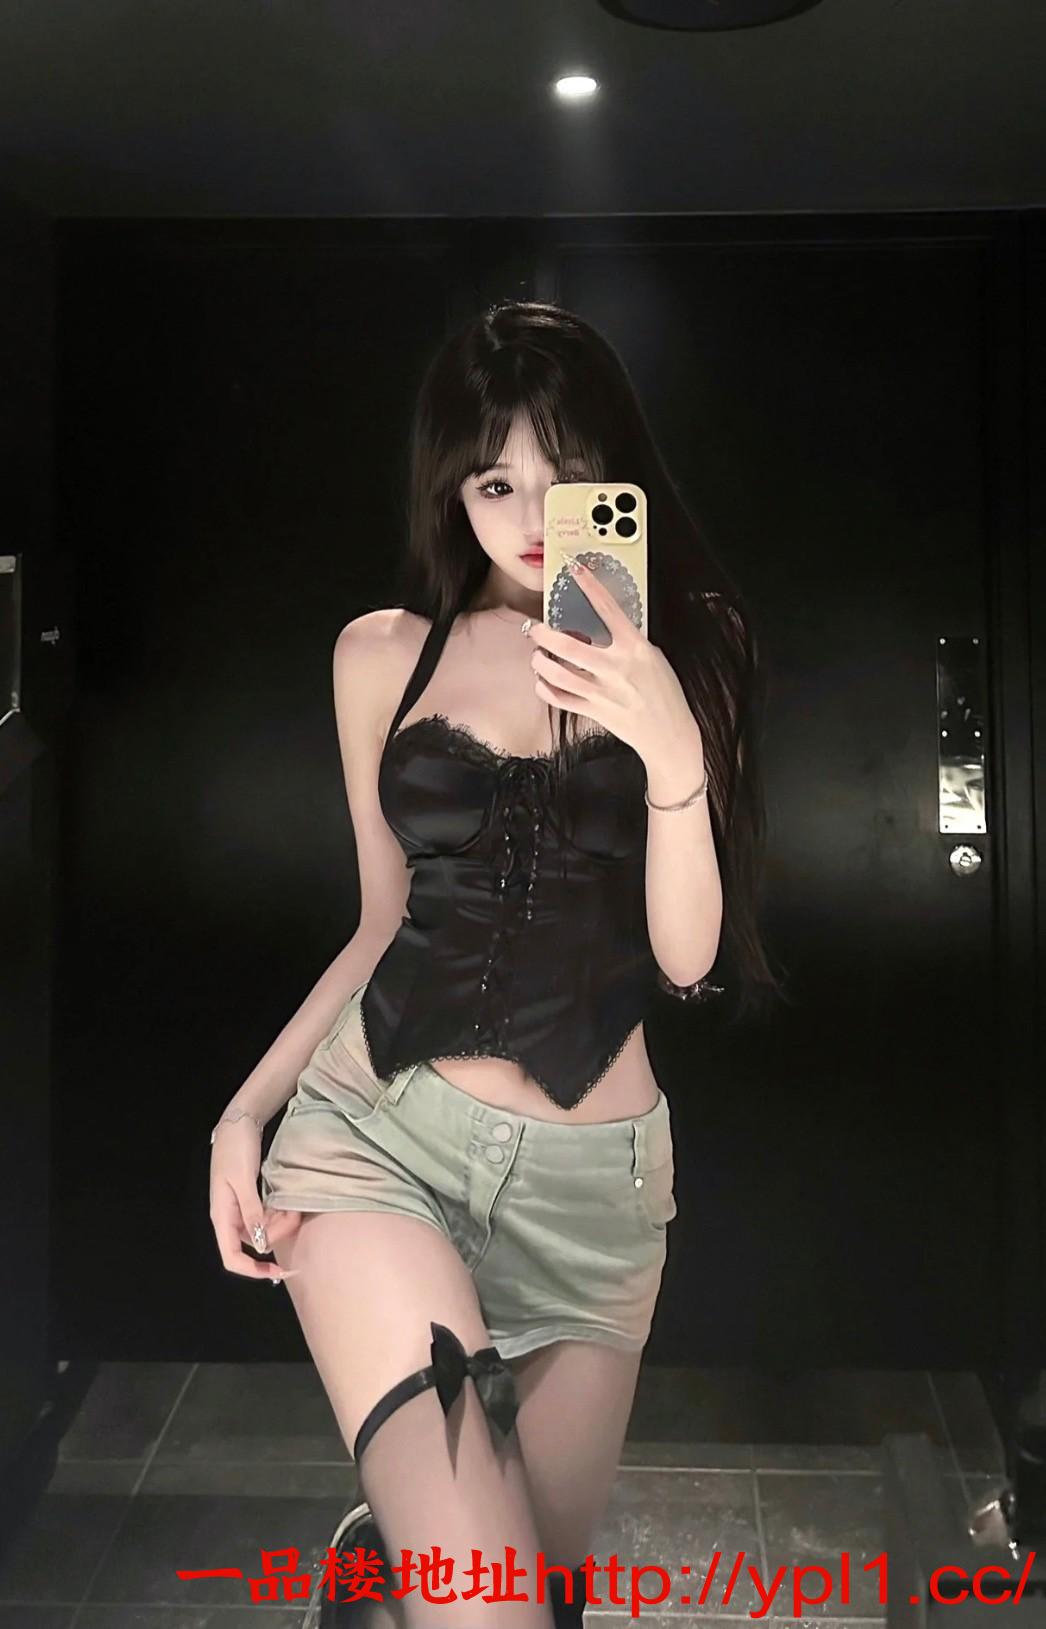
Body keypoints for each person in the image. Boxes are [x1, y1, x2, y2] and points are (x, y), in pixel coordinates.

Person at [208, 301, 781, 1627]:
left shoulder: (695, 649)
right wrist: (246, 1110)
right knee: (491, 1610)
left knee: (532, 1595)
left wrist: (669, 746)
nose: (529, 514)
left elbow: (686, 955)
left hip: (593, 1198)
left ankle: (393, 1553)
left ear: (615, 476)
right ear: (450, 491)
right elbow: (378, 923)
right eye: (493, 481)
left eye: (565, 474)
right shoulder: (379, 656)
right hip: (380, 1142)